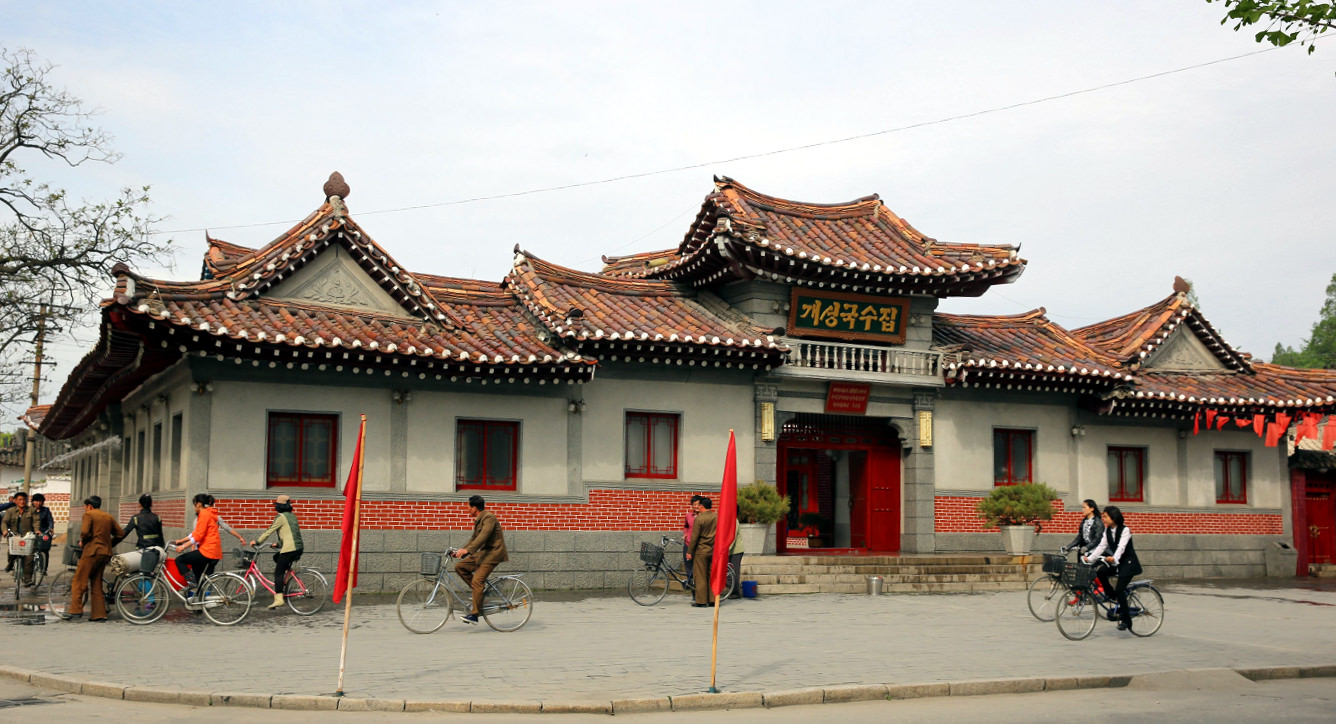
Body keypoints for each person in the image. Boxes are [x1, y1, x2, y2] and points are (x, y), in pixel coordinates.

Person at [1083, 505, 1143, 632]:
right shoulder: (1107, 531)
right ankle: (1112, 596)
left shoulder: (1125, 530)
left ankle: (1127, 621)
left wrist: (1114, 559)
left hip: (1128, 563)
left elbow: (1121, 547)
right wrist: (1090, 558)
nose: (1103, 519)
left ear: (1113, 517)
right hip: (1117, 563)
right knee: (1100, 572)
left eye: (1105, 516)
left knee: (1120, 589)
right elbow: (1101, 546)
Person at [452, 495, 508, 625]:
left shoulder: (489, 518)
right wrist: (460, 551)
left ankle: (475, 614)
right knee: (460, 567)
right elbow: (473, 539)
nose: (467, 510)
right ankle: (479, 593)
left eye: (468, 507)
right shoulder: (479, 520)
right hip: (484, 553)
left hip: (493, 554)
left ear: (474, 508)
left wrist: (468, 550)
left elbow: (483, 537)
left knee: (477, 580)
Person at [67, 496, 124, 622]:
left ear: (89, 506)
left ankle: (75, 611)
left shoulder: (89, 515)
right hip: (105, 553)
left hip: (91, 552)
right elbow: (120, 533)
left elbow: (85, 532)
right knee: (96, 583)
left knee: (79, 581)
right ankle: (99, 614)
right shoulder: (108, 516)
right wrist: (109, 543)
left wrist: (83, 542)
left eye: (85, 507)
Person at [249, 494, 304, 610]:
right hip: (298, 548)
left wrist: (257, 542)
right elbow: (290, 534)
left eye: (277, 505)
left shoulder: (280, 517)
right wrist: (278, 544)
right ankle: (283, 581)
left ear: (280, 506)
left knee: (278, 572)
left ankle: (279, 598)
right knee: (276, 557)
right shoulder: (292, 516)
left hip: (290, 549)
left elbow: (269, 531)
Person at [174, 493, 223, 600]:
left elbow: (198, 536)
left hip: (208, 551)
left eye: (194, 505)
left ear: (199, 504)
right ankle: (199, 604)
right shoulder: (208, 513)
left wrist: (183, 547)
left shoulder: (204, 514)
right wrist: (181, 541)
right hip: (212, 551)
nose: (193, 507)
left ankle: (192, 584)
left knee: (180, 560)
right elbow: (196, 533)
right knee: (198, 574)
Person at [1, 491, 39, 584]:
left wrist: (37, 530)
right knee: (11, 552)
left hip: (27, 537)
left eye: (24, 499)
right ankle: (10, 565)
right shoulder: (10, 511)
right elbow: (4, 522)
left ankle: (27, 579)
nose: (22, 502)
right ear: (15, 501)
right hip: (14, 536)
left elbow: (36, 521)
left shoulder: (32, 510)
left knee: (29, 557)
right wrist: (5, 530)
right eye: (20, 500)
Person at [686, 496, 717, 607]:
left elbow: (694, 537)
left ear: (702, 506)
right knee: (711, 575)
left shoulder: (699, 519)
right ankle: (713, 599)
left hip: (701, 550)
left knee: (700, 576)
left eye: (699, 505)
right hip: (713, 550)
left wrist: (689, 551)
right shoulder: (716, 517)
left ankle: (701, 601)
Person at [682, 495, 701, 587]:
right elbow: (686, 526)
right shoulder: (688, 516)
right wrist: (685, 534)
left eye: (698, 504)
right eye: (694, 504)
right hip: (688, 545)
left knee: (697, 569)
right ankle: (692, 589)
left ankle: (698, 591)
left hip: (699, 547)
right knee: (688, 568)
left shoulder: (703, 517)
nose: (696, 506)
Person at [727, 504, 744, 599]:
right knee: (731, 572)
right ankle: (733, 590)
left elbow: (732, 537)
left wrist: (727, 549)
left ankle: (735, 592)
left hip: (736, 551)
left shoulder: (733, 521)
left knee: (734, 572)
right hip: (732, 550)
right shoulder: (731, 521)